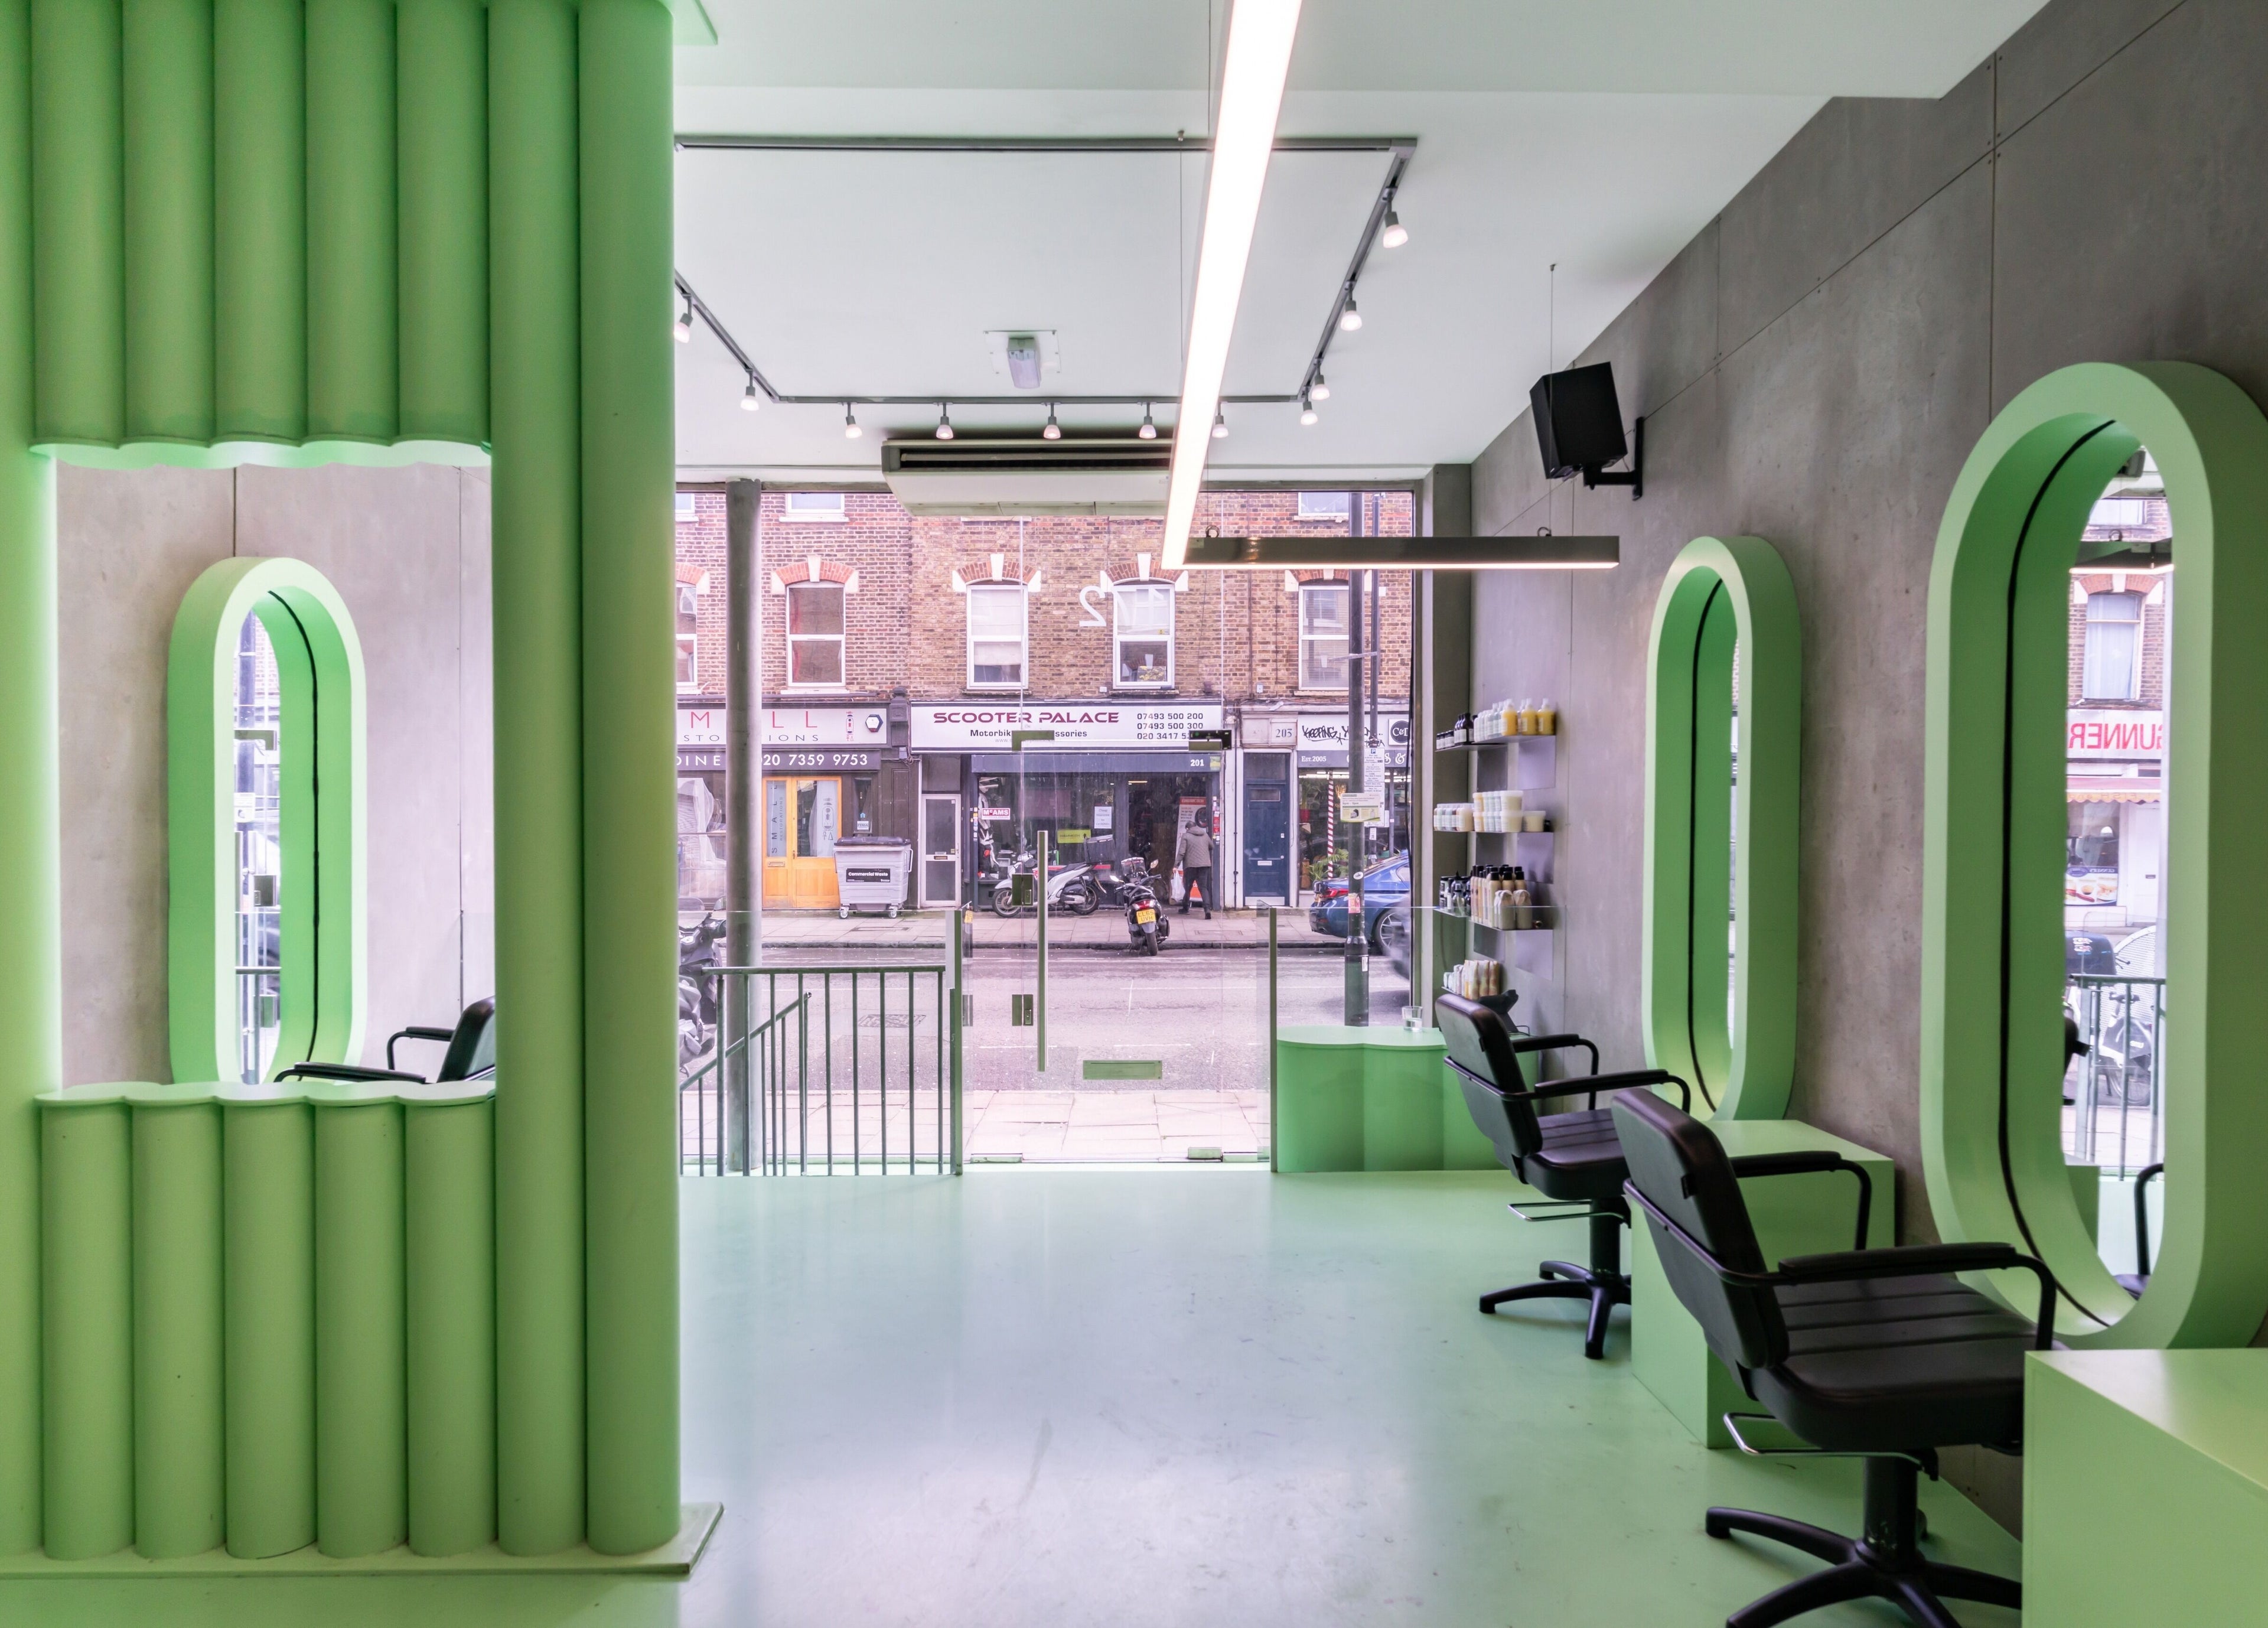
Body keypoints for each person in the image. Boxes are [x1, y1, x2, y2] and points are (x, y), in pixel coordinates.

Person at [1175, 819, 1215, 919]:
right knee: (1204, 888)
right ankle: (1207, 910)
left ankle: (1185, 908)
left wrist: (1176, 865)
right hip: (1204, 866)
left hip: (1191, 866)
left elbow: (1181, 852)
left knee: (1188, 887)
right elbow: (1212, 846)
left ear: (1188, 828)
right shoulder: (1205, 835)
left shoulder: (1186, 836)